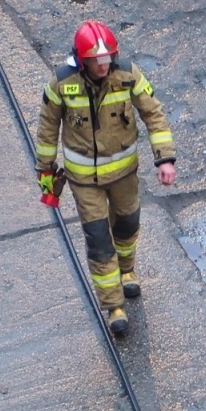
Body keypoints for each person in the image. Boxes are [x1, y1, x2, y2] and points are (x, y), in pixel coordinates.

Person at [35, 20, 176, 337]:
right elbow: (47, 130)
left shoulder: (127, 75)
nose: (102, 65)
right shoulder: (61, 83)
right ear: (81, 59)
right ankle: (114, 307)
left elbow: (154, 113)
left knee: (128, 225)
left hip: (124, 174)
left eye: (107, 58)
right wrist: (45, 174)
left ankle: (127, 272)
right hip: (84, 181)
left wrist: (164, 158)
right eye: (95, 60)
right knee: (99, 241)